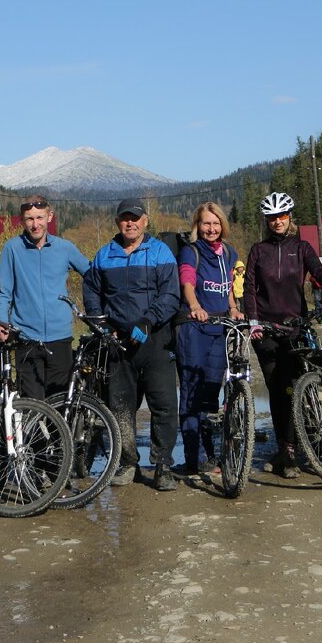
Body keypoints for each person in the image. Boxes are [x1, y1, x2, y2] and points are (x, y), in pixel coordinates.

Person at [243, 192, 322, 479]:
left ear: (290, 218)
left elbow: (319, 273)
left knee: (299, 386)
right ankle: (286, 450)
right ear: (267, 220)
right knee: (278, 390)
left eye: (282, 216)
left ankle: (312, 442)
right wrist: (253, 322)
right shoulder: (258, 250)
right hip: (266, 330)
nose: (277, 221)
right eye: (272, 217)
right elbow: (249, 288)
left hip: (296, 327)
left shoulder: (301, 247)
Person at [83, 198, 181, 491]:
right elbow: (91, 292)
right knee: (121, 406)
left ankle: (163, 465)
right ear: (118, 222)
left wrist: (148, 321)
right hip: (117, 343)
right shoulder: (104, 255)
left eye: (135, 218)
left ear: (145, 221)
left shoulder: (161, 252)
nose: (130, 223)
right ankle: (128, 463)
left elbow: (171, 295)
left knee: (163, 405)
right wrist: (102, 326)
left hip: (155, 340)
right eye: (125, 218)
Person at [0, 195, 90, 399]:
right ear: (22, 220)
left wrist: (95, 310)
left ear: (49, 217)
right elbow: (4, 292)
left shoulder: (65, 248)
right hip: (27, 338)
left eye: (40, 218)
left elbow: (93, 275)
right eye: (29, 219)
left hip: (60, 337)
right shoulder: (12, 248)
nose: (35, 224)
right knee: (32, 405)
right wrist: (0, 322)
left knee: (60, 404)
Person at [175, 202, 244, 475]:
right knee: (191, 393)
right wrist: (194, 306)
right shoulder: (191, 252)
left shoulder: (228, 252)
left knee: (209, 396)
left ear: (222, 225)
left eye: (216, 223)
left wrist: (235, 309)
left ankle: (209, 455)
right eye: (206, 223)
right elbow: (188, 282)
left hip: (219, 328)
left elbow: (228, 286)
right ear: (197, 225)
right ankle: (195, 459)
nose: (211, 229)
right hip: (194, 329)